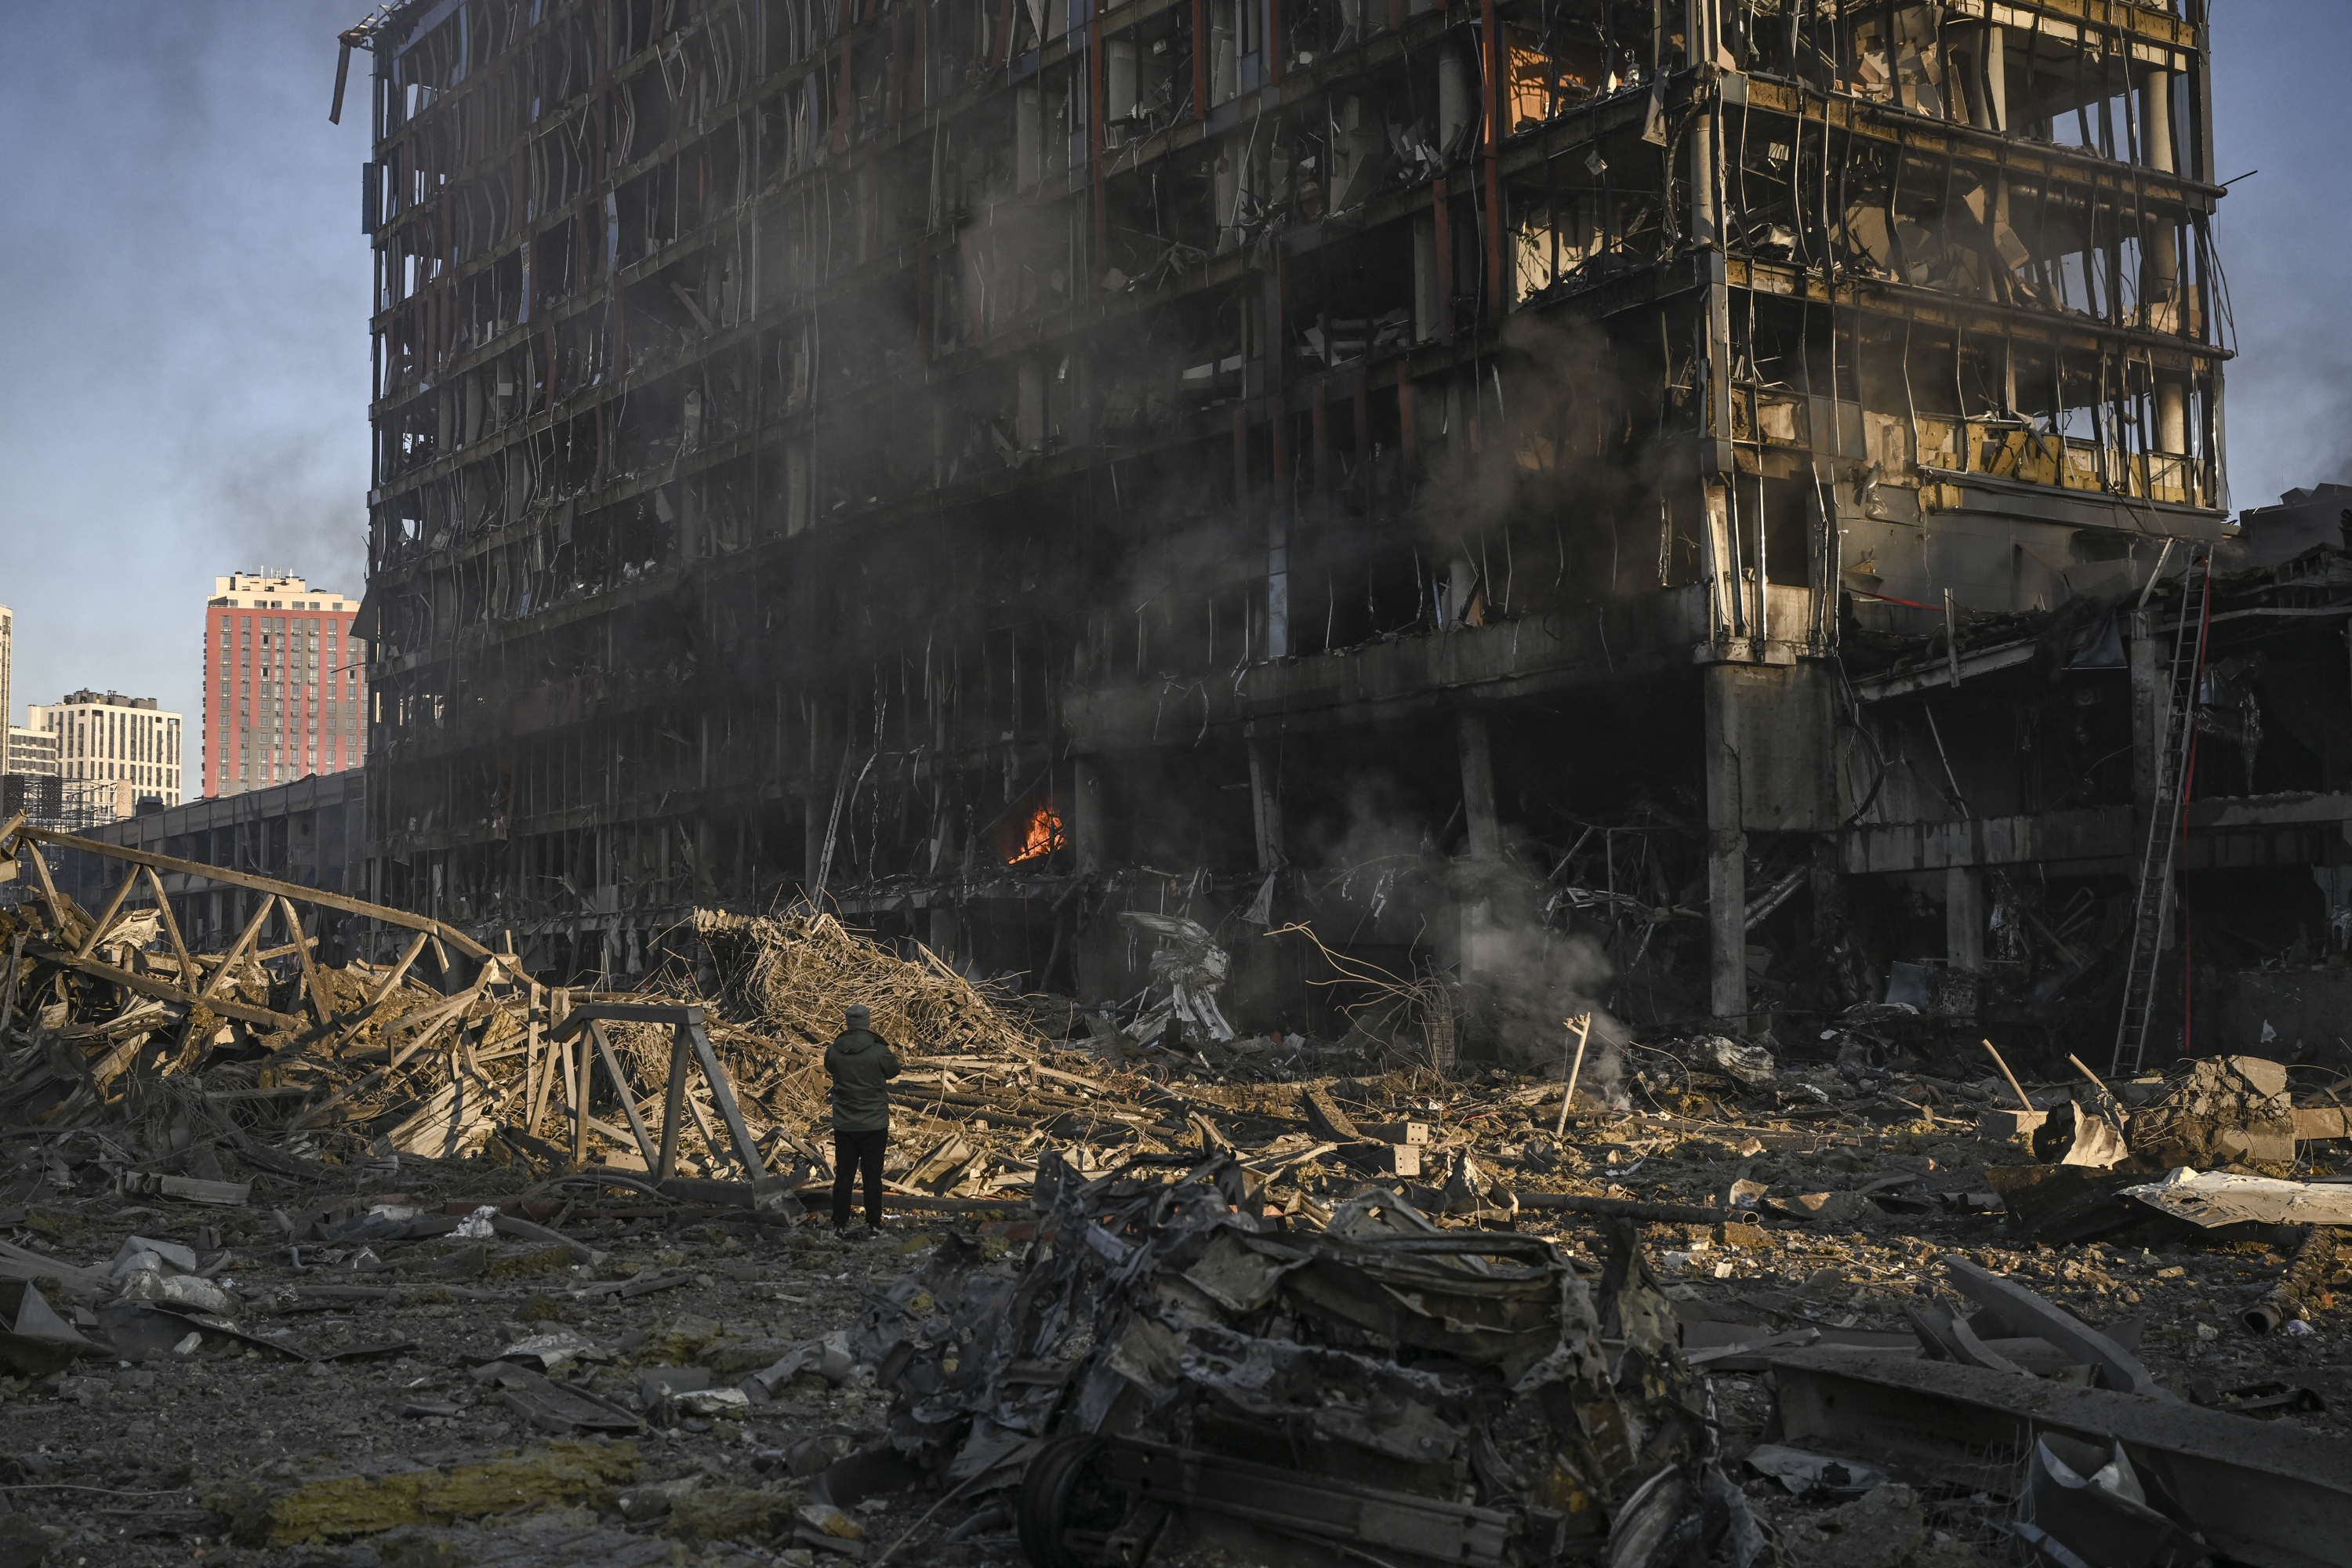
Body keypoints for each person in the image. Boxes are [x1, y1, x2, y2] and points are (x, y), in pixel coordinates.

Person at [824, 1004, 900, 1235]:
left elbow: (830, 1068)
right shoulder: (879, 1051)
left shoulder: (834, 1050)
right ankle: (874, 1224)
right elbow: (894, 1071)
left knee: (844, 1175)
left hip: (844, 1124)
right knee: (872, 1176)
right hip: (874, 1124)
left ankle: (839, 1224)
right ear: (867, 1023)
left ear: (848, 1023)